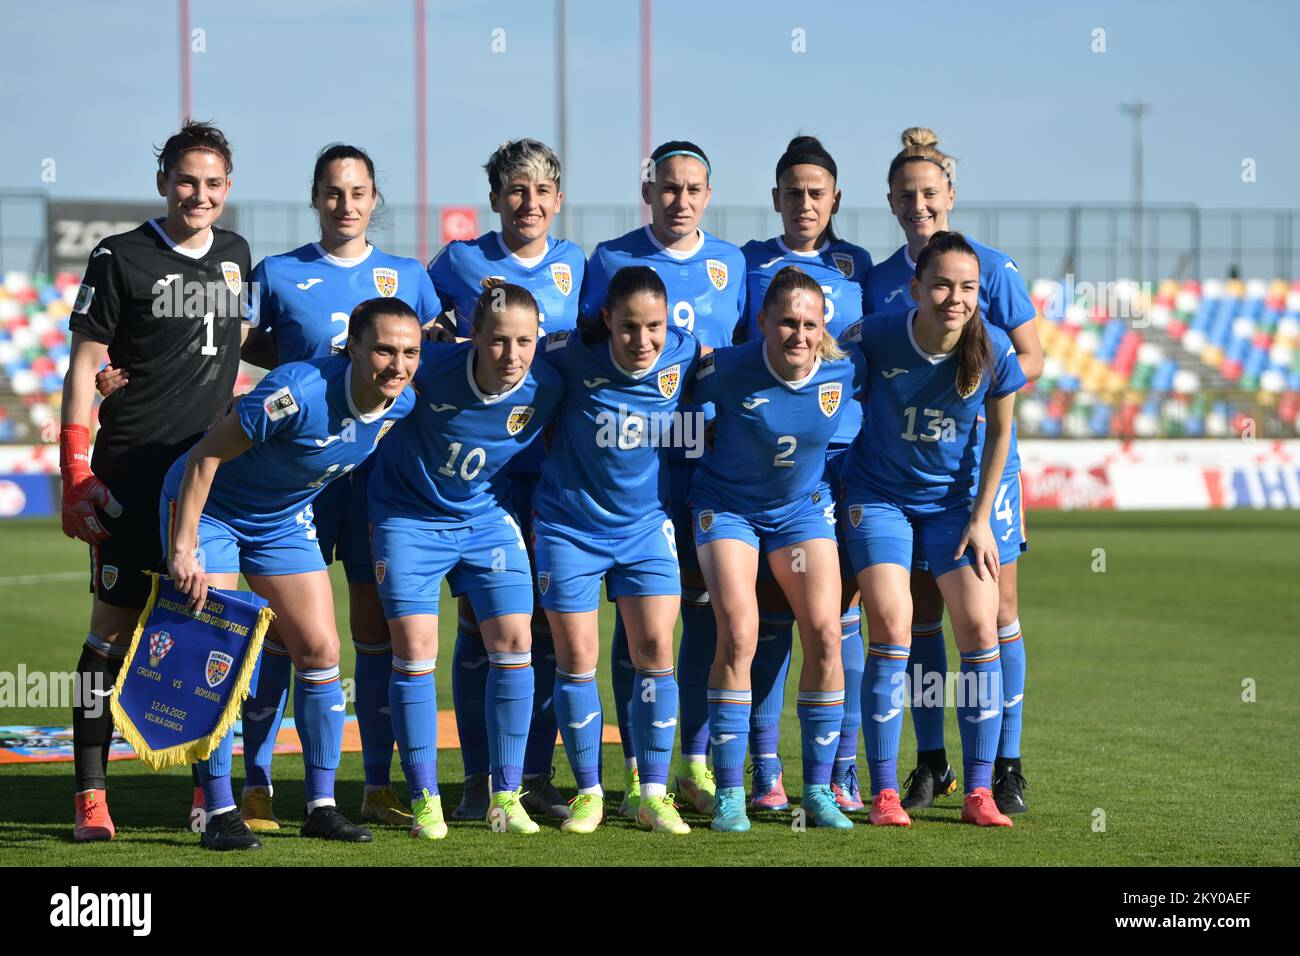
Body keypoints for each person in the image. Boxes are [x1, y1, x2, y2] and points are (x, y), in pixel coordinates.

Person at [163, 297, 420, 849]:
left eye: (409, 352)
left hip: (279, 523)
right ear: (351, 347)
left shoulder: (401, 404)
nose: (397, 364)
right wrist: (184, 548)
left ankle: (321, 806)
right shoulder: (294, 393)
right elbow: (206, 456)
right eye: (383, 349)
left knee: (322, 650)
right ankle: (219, 810)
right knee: (218, 652)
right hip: (211, 511)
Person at [60, 120, 250, 842]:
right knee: (110, 631)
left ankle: (211, 794)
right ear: (164, 181)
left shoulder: (237, 258)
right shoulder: (119, 257)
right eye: (185, 180)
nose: (197, 194)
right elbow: (86, 364)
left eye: (212, 183)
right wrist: (75, 468)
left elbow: (242, 348)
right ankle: (90, 797)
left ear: (227, 190)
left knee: (208, 632)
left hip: (207, 480)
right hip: (133, 472)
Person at [863, 129, 1041, 815]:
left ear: (950, 196)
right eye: (906, 195)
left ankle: (1004, 766)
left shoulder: (989, 269)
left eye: (929, 193)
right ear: (891, 202)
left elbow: (1027, 361)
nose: (918, 205)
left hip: (978, 473)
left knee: (996, 615)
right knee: (913, 617)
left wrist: (966, 390)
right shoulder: (879, 280)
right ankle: (928, 760)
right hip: (898, 476)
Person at [578, 139, 745, 818]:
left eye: (693, 189)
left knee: (701, 608)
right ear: (648, 193)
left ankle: (696, 763)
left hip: (708, 460)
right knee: (636, 611)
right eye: (667, 188)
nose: (680, 200)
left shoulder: (733, 263)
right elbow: (588, 348)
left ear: (709, 194)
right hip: (635, 463)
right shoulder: (611, 259)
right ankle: (630, 765)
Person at [841, 230, 1024, 828]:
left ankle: (978, 792)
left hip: (955, 507)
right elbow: (835, 367)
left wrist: (981, 519)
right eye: (942, 284)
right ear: (915, 287)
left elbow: (1000, 436)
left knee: (979, 626)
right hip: (881, 497)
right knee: (893, 623)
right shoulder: (880, 331)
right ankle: (886, 792)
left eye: (968, 287)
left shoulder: (994, 348)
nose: (955, 298)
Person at [367, 280, 563, 838]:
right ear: (472, 335)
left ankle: (506, 794)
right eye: (499, 341)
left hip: (484, 519)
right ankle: (426, 797)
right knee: (415, 650)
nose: (512, 355)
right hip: (407, 516)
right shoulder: (429, 370)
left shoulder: (547, 384)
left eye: (525, 341)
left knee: (517, 643)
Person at [427, 138, 586, 821]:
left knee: (544, 625)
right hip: (479, 476)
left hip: (552, 473)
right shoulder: (459, 261)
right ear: (495, 198)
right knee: (477, 624)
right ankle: (475, 778)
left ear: (557, 199)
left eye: (542, 191)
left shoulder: (580, 265)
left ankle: (533, 776)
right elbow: (423, 332)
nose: (530, 203)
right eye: (516, 191)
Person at [690, 265, 866, 833]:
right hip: (728, 507)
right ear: (762, 322)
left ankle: (817, 791)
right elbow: (665, 383)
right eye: (786, 322)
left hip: (799, 512)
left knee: (826, 631)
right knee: (739, 631)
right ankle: (730, 795)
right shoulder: (727, 367)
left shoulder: (844, 372)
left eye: (809, 324)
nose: (798, 334)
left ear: (824, 327)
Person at [534, 265, 702, 834]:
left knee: (656, 649)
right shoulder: (567, 354)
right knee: (576, 659)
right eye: (629, 327)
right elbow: (503, 357)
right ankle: (589, 794)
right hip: (568, 528)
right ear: (606, 320)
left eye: (653, 326)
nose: (643, 341)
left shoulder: (684, 352)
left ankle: (653, 793)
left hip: (645, 528)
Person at [736, 136, 874, 813]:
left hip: (845, 464)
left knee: (840, 618)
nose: (805, 204)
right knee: (766, 619)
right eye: (793, 192)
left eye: (817, 193)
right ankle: (766, 773)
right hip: (769, 467)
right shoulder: (748, 264)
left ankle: (840, 770)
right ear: (776, 199)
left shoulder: (861, 268)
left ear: (835, 199)